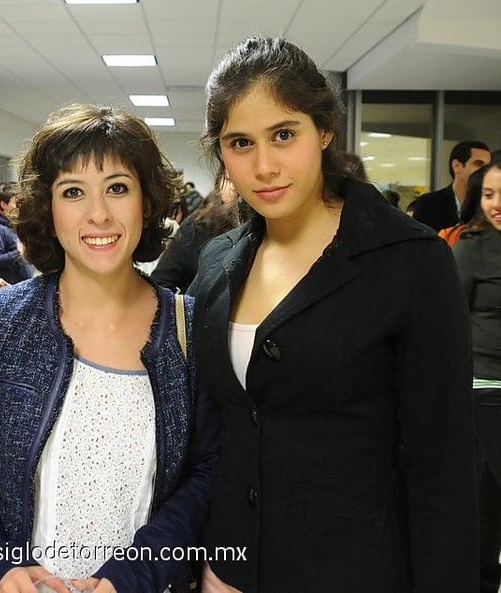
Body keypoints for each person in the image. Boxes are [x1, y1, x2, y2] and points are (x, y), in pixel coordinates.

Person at [189, 36, 477, 593]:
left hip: (354, 568)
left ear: (323, 131)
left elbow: (442, 464)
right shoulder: (218, 260)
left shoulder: (408, 259)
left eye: (283, 135)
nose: (265, 165)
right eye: (240, 143)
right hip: (230, 568)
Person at [0, 103, 220, 593]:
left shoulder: (190, 328)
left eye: (118, 187)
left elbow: (202, 475)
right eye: (73, 191)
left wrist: (130, 578)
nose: (98, 214)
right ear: (47, 207)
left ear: (146, 201)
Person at [451, 155, 501, 593]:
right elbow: (449, 325)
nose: (495, 204)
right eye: (488, 194)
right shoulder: (470, 247)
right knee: (485, 505)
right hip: (484, 391)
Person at [151, 178, 241, 293]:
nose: (234, 187)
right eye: (229, 180)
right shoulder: (198, 226)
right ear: (219, 183)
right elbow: (162, 282)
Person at [411, 140, 491, 231]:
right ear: (457, 166)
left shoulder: (489, 205)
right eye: (479, 164)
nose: (486, 170)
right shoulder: (429, 204)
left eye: (488, 166)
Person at [0, 184, 34, 283]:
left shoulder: (17, 227)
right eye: (16, 202)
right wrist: (17, 253)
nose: (20, 206)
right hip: (6, 289)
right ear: (4, 205)